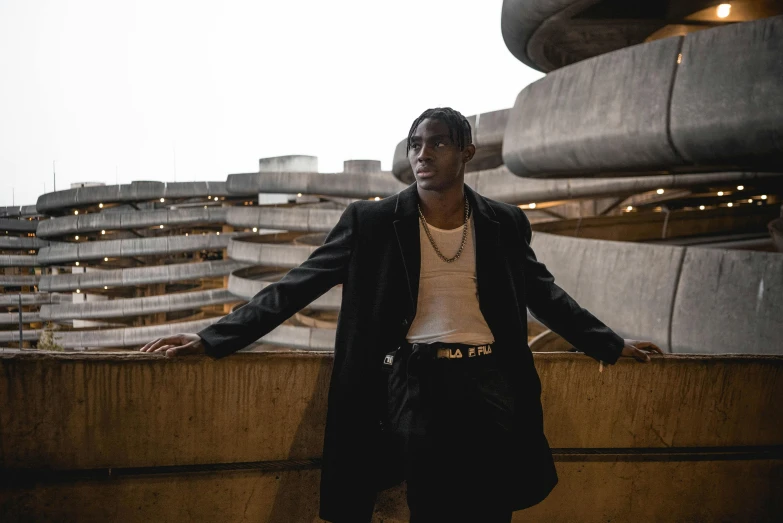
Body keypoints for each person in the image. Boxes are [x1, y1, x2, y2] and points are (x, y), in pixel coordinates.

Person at [141, 107, 662, 522]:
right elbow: (297, 285)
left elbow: (546, 295)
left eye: (437, 142)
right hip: (417, 383)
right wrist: (213, 338)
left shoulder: (503, 223)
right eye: (415, 144)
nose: (423, 153)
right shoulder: (370, 222)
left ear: (467, 152)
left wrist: (612, 345)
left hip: (491, 381)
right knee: (432, 507)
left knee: (492, 508)